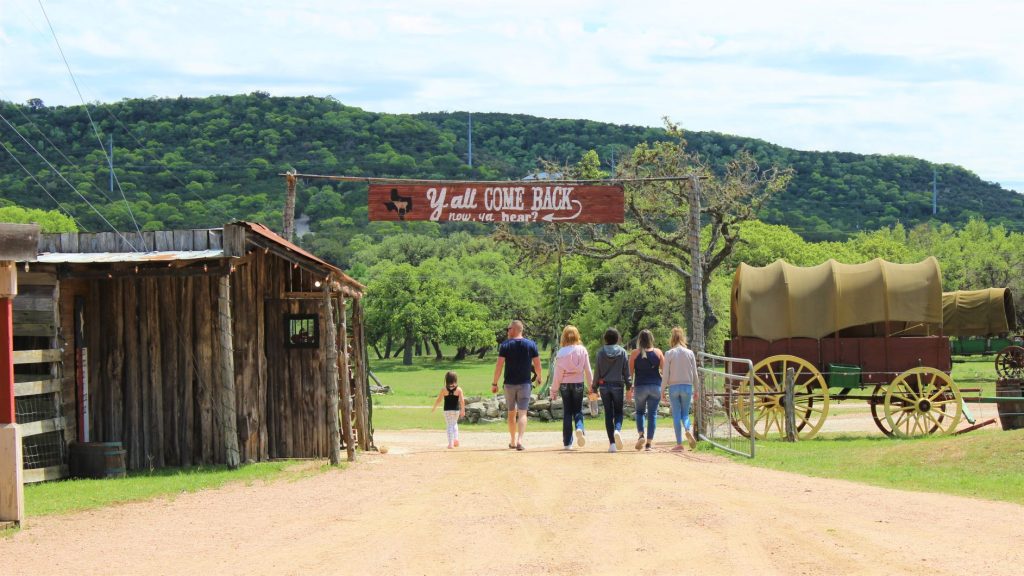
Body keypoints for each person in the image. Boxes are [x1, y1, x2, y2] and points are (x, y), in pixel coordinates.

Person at [492, 320, 542, 451]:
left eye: (508, 329)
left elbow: (499, 365)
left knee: (511, 413)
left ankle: (513, 441)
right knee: (523, 413)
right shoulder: (531, 344)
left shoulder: (505, 345)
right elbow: (537, 364)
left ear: (514, 329)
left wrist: (494, 383)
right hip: (525, 384)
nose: (507, 331)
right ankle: (520, 440)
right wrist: (539, 377)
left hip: (509, 384)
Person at [549, 325, 593, 450]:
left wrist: (554, 391)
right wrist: (591, 387)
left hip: (564, 385)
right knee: (577, 410)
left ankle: (567, 443)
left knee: (567, 412)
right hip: (578, 383)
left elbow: (557, 375)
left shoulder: (561, 352)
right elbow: (588, 371)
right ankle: (579, 428)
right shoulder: (582, 350)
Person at [662, 326, 699, 451]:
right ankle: (688, 429)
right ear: (682, 338)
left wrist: (662, 391)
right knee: (685, 414)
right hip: (687, 386)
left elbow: (665, 374)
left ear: (672, 338)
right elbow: (695, 373)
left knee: (676, 415)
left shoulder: (669, 353)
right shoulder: (690, 353)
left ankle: (679, 443)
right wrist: (697, 389)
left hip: (673, 387)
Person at [595, 328, 631, 452]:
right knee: (619, 412)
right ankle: (617, 429)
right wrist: (629, 386)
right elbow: (626, 371)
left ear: (605, 339)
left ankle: (612, 444)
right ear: (618, 339)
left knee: (608, 413)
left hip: (604, 385)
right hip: (618, 385)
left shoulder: (600, 353)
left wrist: (594, 387)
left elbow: (597, 372)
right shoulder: (622, 352)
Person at [629, 329, 664, 451]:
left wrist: (628, 390)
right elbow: (664, 371)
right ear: (651, 339)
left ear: (639, 340)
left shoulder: (634, 354)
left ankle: (641, 435)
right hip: (655, 386)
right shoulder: (658, 352)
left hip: (640, 387)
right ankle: (649, 444)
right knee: (652, 414)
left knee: (639, 412)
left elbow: (630, 374)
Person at [431, 371, 466, 449]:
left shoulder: (444, 389)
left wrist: (434, 407)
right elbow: (462, 401)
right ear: (455, 379)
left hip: (447, 410)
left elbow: (439, 400)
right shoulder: (459, 389)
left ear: (447, 379)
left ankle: (450, 444)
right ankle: (456, 439)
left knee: (449, 425)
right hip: (456, 410)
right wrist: (463, 410)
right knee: (454, 424)